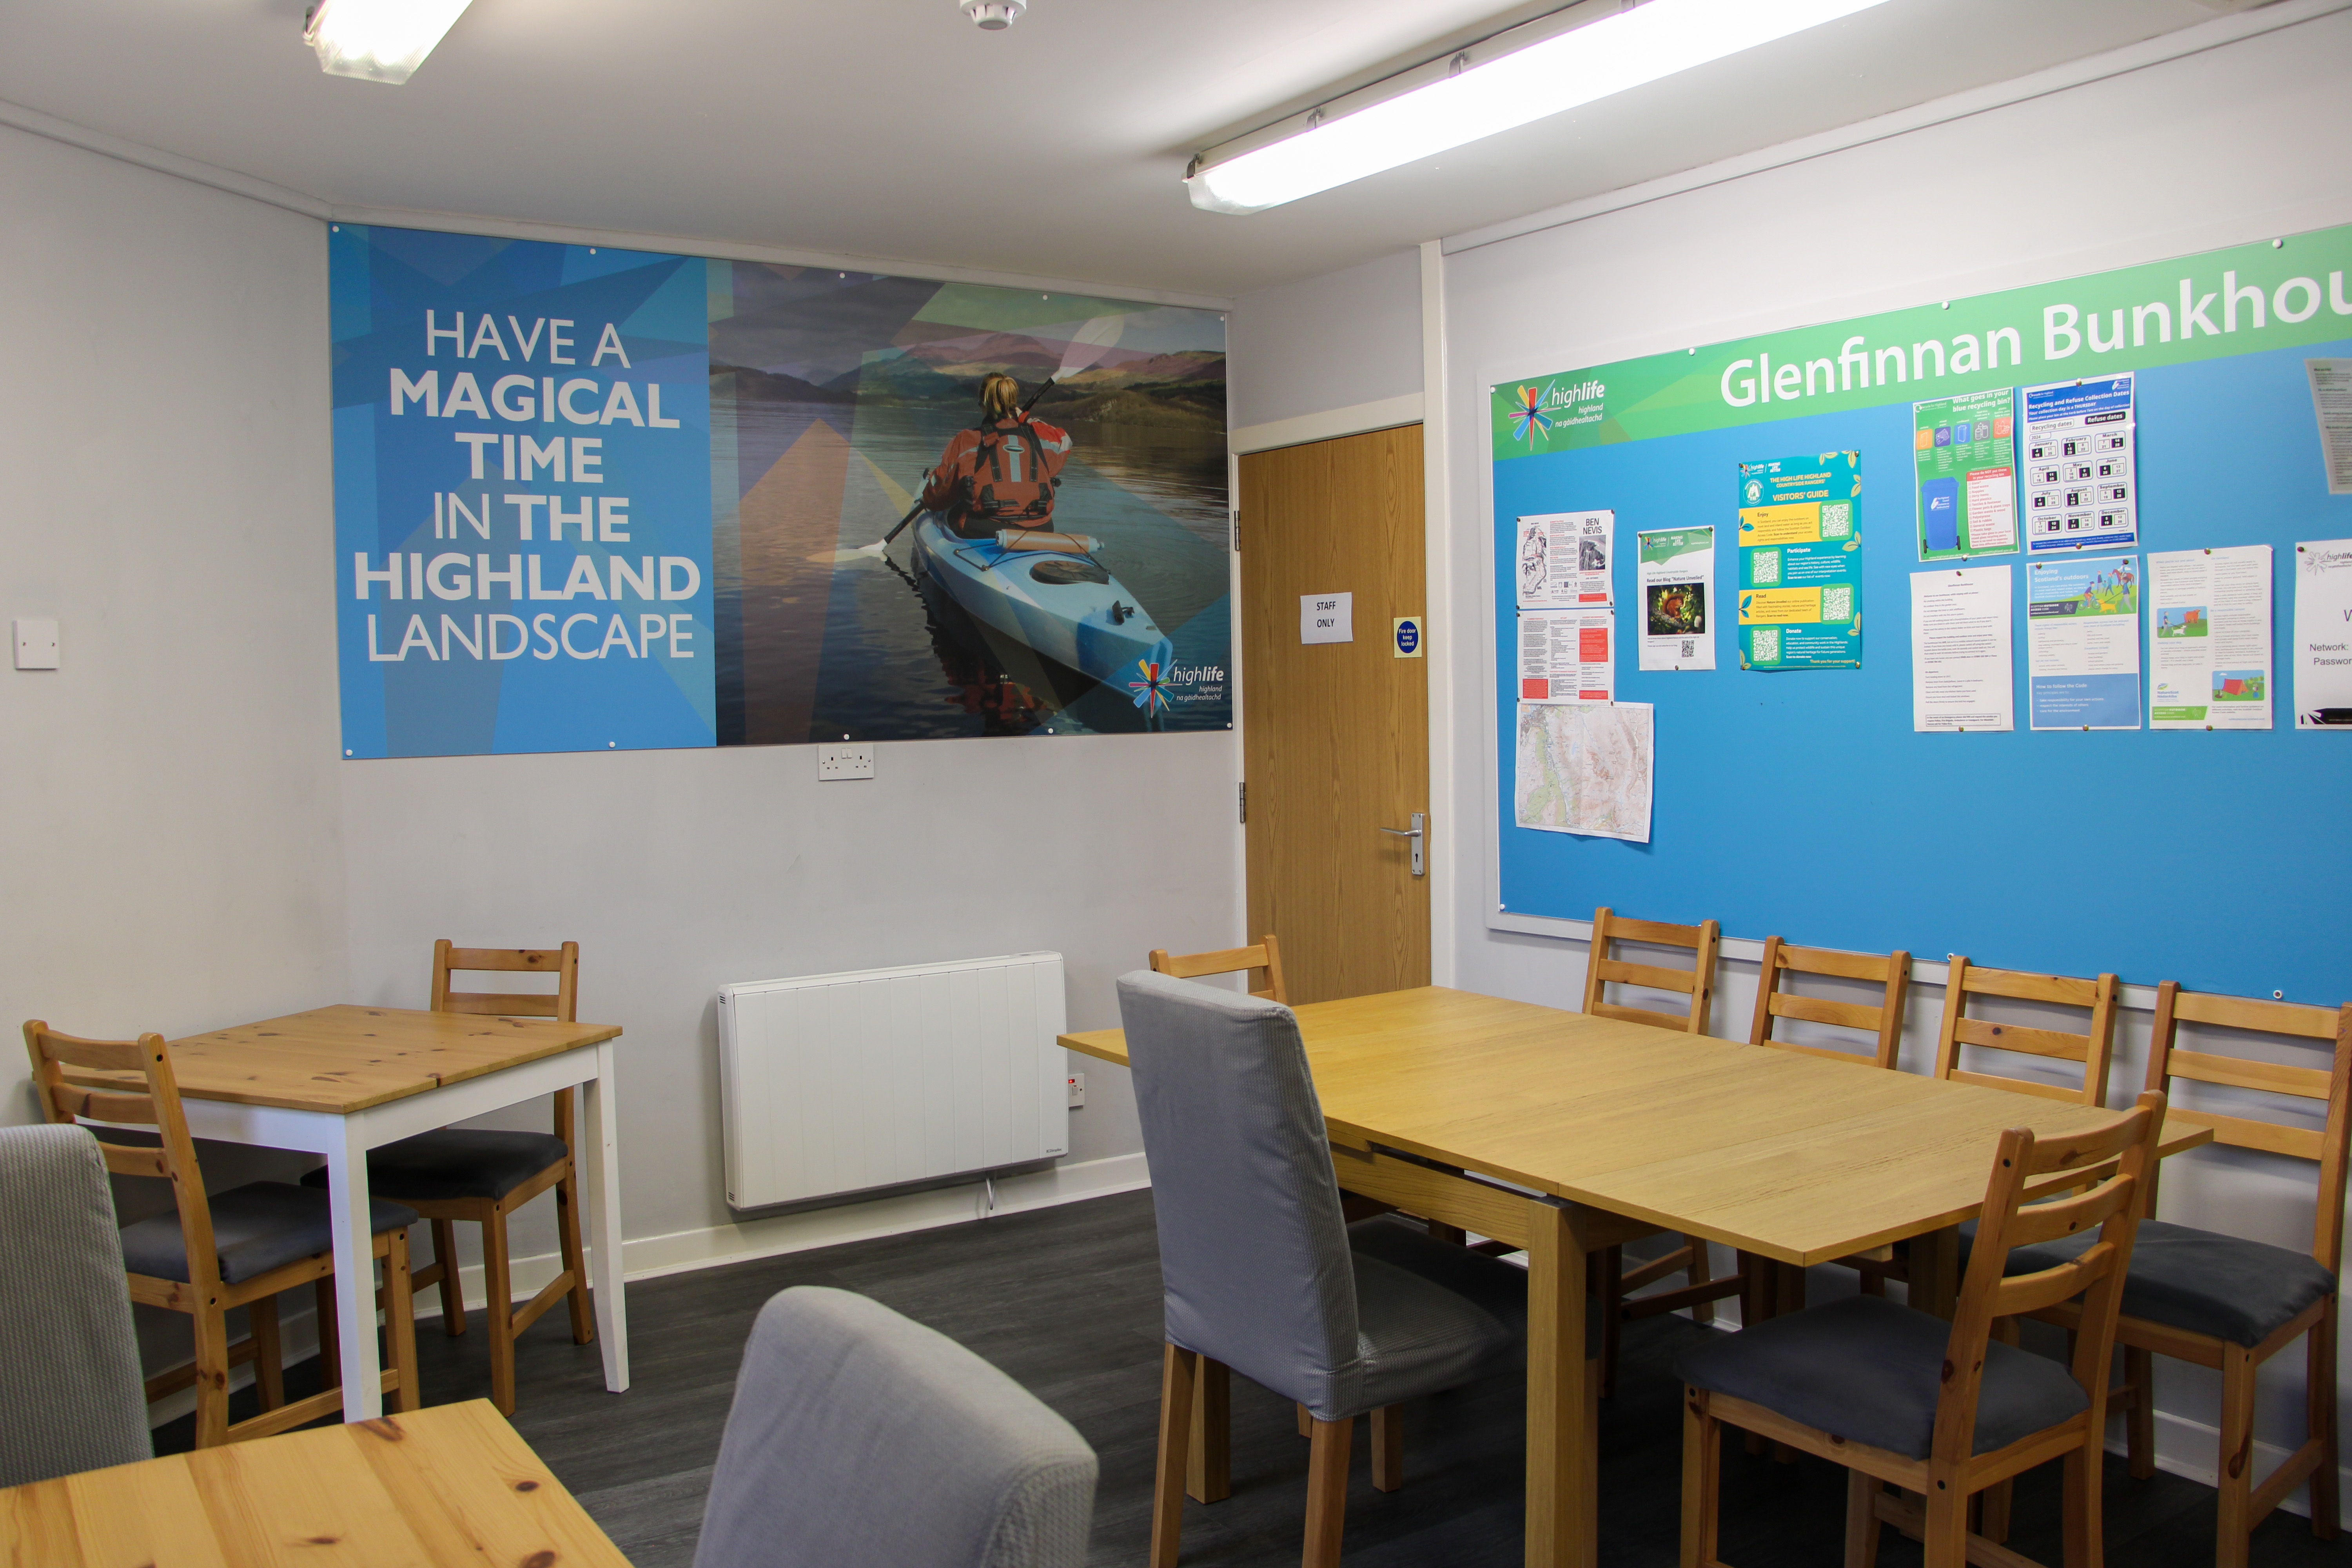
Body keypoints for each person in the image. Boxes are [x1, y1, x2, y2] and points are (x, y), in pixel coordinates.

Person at [921, 372, 1073, 538]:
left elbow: (938, 497)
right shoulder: (1040, 438)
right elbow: (1065, 440)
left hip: (986, 530)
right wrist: (1025, 418)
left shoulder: (967, 440)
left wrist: (929, 498)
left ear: (984, 404)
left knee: (948, 513)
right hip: (1041, 528)